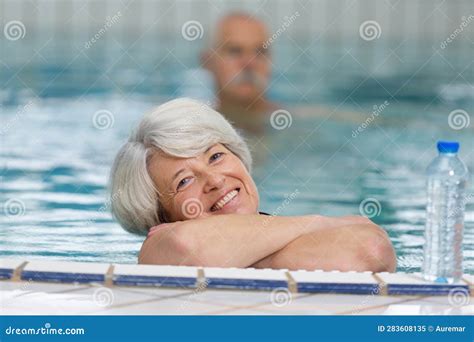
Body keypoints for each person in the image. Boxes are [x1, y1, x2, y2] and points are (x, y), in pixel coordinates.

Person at [109, 98, 396, 272]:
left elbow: (370, 250)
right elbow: (188, 247)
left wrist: (232, 256)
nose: (215, 180)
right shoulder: (159, 247)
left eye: (217, 156)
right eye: (184, 180)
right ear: (161, 218)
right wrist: (322, 224)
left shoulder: (287, 230)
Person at [201, 13, 277, 126]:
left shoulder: (296, 124)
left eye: (260, 52)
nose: (250, 63)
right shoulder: (193, 127)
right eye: (235, 51)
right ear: (207, 62)